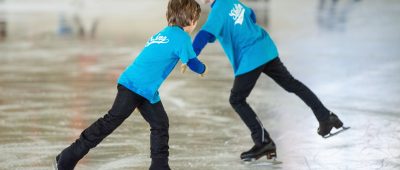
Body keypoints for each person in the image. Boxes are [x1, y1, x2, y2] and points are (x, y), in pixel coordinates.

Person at [54, 0, 206, 169]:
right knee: (109, 122)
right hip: (135, 87)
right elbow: (194, 63)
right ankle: (68, 156)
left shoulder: (164, 33)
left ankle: (159, 166)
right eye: (196, 20)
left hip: (143, 88)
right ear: (191, 19)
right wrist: (202, 68)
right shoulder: (182, 37)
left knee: (160, 123)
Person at [193, 0, 345, 162]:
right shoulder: (231, 2)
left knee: (237, 100)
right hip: (265, 48)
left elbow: (204, 35)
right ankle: (325, 117)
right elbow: (251, 14)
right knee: (292, 84)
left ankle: (263, 141)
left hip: (250, 58)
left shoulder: (217, 12)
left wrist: (190, 54)